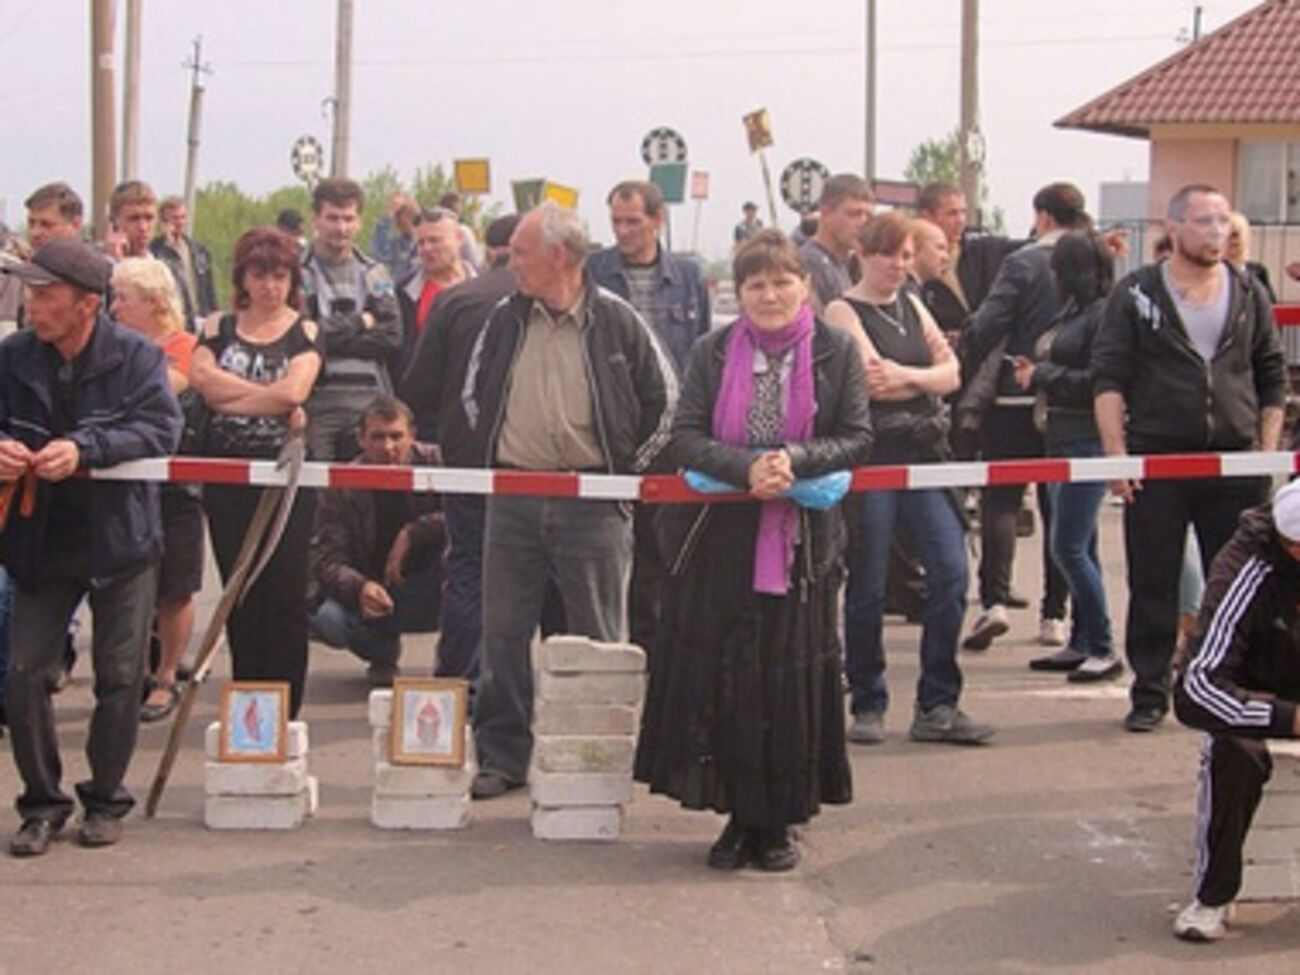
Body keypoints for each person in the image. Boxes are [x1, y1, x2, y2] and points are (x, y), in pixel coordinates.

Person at [635, 229, 871, 870]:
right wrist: (747, 470)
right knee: (732, 680)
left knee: (786, 681)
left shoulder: (837, 351)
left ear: (805, 286)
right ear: (738, 293)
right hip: (721, 542)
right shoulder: (711, 352)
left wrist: (792, 461)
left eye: (781, 282)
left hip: (801, 545)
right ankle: (738, 817)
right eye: (756, 285)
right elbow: (685, 436)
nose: (769, 295)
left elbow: (856, 436)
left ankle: (778, 822)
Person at [464, 201, 677, 799]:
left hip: (595, 505)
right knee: (503, 635)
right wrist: (500, 458)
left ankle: (599, 755)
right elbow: (473, 396)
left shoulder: (618, 321)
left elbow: (666, 402)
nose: (511, 263)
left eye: (521, 253)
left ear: (560, 256)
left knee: (600, 635)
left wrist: (624, 477)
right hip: (513, 499)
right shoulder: (503, 320)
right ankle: (503, 756)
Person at [0, 238, 182, 855]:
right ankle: (42, 803)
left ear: (86, 304)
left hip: (120, 541)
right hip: (41, 541)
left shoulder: (137, 356)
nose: (31, 304)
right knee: (23, 672)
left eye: (45, 294)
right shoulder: (13, 356)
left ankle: (105, 800)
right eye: (30, 292)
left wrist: (85, 449)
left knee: (121, 677)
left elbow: (161, 428)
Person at [1094, 183, 1286, 733]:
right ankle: (1150, 691)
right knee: (1153, 581)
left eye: (1223, 221)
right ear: (1174, 227)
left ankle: (1234, 687)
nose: (1216, 232)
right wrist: (1117, 456)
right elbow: (1109, 376)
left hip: (1234, 462)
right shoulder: (1136, 293)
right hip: (1158, 460)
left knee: (1239, 585)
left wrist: (1265, 453)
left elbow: (1271, 374)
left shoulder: (1248, 291)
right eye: (1204, 221)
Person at [825, 212, 993, 746]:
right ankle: (867, 700)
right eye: (888, 255)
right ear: (863, 255)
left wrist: (910, 378)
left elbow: (952, 374)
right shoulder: (842, 310)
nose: (898, 266)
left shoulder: (913, 304)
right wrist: (925, 380)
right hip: (873, 458)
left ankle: (938, 702)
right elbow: (870, 380)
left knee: (951, 573)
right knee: (869, 584)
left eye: (905, 255)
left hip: (925, 454)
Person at [190, 227, 322, 718]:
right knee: (239, 594)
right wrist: (267, 398)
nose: (270, 286)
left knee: (284, 596)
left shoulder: (304, 332)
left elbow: (295, 391)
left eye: (280, 276)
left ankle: (286, 713)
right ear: (243, 278)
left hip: (286, 483)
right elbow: (201, 381)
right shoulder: (217, 327)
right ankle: (250, 713)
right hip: (227, 482)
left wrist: (234, 395)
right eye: (260, 275)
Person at [961, 182, 1090, 653]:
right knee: (1061, 509)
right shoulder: (1096, 260)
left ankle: (995, 601)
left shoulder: (1023, 262)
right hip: (1071, 401)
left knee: (1002, 499)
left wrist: (967, 347)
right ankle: (1055, 614)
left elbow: (990, 322)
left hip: (1015, 395)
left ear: (1043, 216)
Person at [1169, 479, 1300, 942]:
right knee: (1234, 755)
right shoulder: (1244, 569)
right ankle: (1213, 895)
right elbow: (1196, 688)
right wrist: (1289, 718)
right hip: (1256, 689)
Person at [587, 179, 711, 657]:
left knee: (664, 546)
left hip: (673, 430)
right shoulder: (594, 272)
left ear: (657, 221)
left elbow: (702, 350)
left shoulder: (687, 277)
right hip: (613, 426)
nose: (623, 231)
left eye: (633, 222)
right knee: (610, 546)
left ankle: (660, 649)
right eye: (616, 222)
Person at [400, 214, 519, 686]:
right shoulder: (559, 299)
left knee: (468, 567)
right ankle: (525, 684)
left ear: (486, 250)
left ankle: (457, 683)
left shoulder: (456, 300)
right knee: (543, 577)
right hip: (542, 466)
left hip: (468, 457)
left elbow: (418, 386)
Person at [1011, 232, 1120, 681]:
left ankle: (1103, 644)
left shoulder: (1101, 315)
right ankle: (1083, 639)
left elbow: (1100, 379)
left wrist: (1042, 374)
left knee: (1068, 546)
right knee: (1080, 545)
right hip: (1061, 436)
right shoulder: (1075, 311)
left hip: (1084, 438)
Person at [109, 257, 205, 721]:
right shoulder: (113, 347)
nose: (113, 308)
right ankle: (133, 673)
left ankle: (166, 675)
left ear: (152, 301)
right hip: (126, 485)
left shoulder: (185, 346)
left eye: (122, 298)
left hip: (177, 485)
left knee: (175, 586)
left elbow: (169, 385)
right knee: (129, 585)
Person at [308, 396, 442, 686]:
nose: (388, 447)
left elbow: (466, 519)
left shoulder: (437, 463)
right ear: (361, 439)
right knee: (328, 620)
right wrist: (361, 588)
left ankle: (456, 665)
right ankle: (382, 652)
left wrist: (415, 533)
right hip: (373, 586)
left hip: (432, 583)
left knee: (474, 589)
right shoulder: (343, 484)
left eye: (396, 436)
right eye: (377, 437)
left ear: (413, 435)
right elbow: (326, 559)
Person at [300, 178, 401, 460]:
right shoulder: (297, 271)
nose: (341, 228)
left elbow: (391, 336)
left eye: (348, 219)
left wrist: (327, 336)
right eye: (332, 218)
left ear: (359, 221)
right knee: (316, 484)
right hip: (315, 402)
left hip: (369, 403)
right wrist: (360, 322)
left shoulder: (375, 273)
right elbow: (300, 336)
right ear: (315, 219)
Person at [393, 207, 470, 380]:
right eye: (421, 243)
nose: (427, 248)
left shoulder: (484, 289)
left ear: (459, 238)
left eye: (435, 240)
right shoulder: (405, 292)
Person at [799, 175, 874, 312]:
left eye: (868, 216)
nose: (863, 223)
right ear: (826, 214)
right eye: (854, 214)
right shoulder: (809, 263)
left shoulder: (848, 264)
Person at [149, 196, 218, 329]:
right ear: (164, 221)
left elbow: (209, 288)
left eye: (182, 217)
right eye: (175, 218)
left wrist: (213, 315)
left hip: (201, 316)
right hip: (174, 318)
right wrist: (168, 246)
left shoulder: (199, 251)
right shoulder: (155, 251)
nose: (180, 222)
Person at [1225, 211, 1276, 303]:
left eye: (1235, 235)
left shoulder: (1258, 271)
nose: (1231, 241)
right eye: (1225, 236)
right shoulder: (1209, 273)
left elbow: (1270, 304)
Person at [370, 191, 420, 283]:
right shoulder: (399, 244)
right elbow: (377, 254)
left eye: (398, 215)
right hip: (401, 291)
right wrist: (388, 216)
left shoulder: (426, 240)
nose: (396, 222)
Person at [104, 180, 158, 260]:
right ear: (114, 222)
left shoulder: (163, 265)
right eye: (134, 219)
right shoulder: (96, 264)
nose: (143, 227)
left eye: (149, 218)